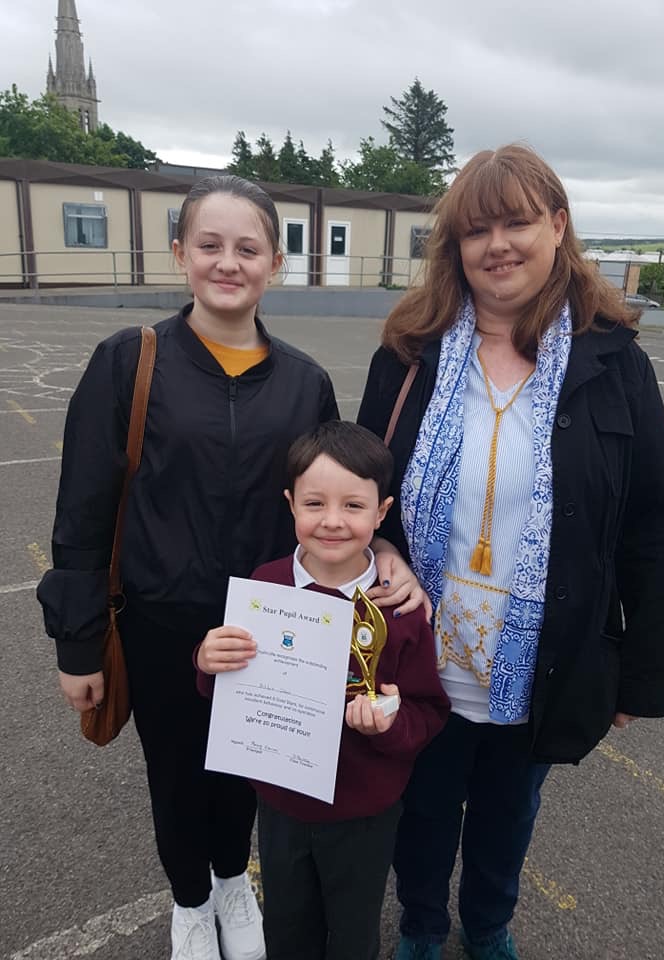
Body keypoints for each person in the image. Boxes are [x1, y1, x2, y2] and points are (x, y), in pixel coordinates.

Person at [37, 176, 425, 960]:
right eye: (209, 245)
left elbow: (337, 490)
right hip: (160, 622)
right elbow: (81, 509)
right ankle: (190, 901)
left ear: (274, 263)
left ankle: (229, 880)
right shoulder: (128, 361)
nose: (228, 262)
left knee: (252, 768)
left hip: (274, 623)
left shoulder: (304, 381)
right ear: (179, 253)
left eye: (248, 248)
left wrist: (386, 547)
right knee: (176, 775)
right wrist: (78, 645)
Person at [356, 144, 664, 960]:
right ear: (456, 247)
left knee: (509, 813)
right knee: (423, 809)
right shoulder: (409, 356)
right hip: (422, 651)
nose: (497, 245)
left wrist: (640, 673)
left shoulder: (616, 365)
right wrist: (383, 545)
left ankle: (489, 923)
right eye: (477, 230)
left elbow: (651, 523)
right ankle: (422, 925)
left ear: (558, 227)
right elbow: (362, 487)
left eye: (517, 223)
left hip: (542, 657)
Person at [196, 420, 450, 960]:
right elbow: (233, 687)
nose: (332, 521)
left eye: (353, 506)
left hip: (364, 811)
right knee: (288, 928)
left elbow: (429, 711)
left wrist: (389, 723)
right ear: (290, 504)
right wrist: (207, 662)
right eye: (314, 504)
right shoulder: (263, 588)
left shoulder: (398, 610)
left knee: (353, 934)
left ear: (382, 513)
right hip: (280, 803)